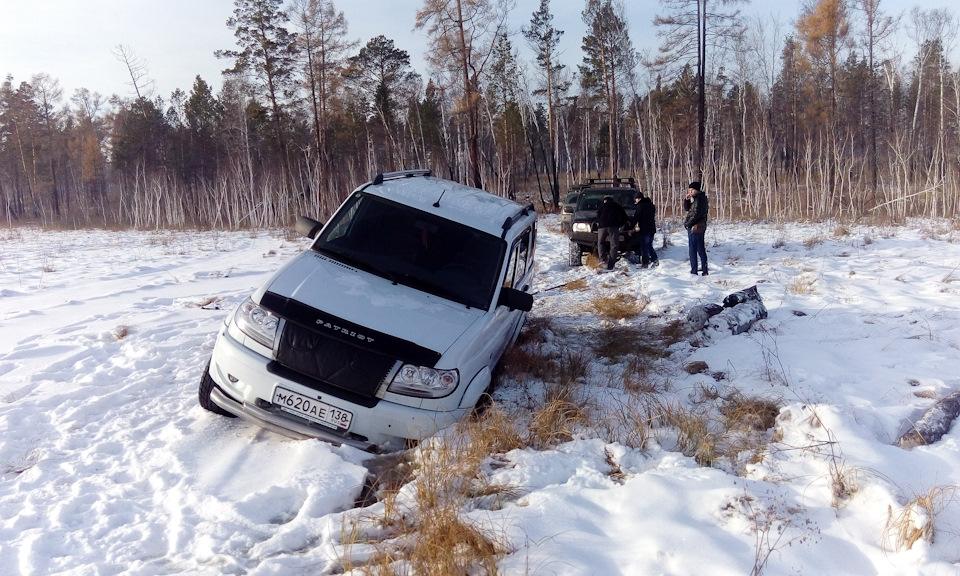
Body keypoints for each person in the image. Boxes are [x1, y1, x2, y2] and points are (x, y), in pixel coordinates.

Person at [683, 181, 709, 276]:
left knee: (693, 249)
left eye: (692, 190)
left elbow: (696, 214)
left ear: (697, 190)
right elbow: (688, 209)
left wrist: (688, 224)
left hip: (695, 227)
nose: (690, 192)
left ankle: (694, 271)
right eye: (689, 190)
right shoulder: (698, 199)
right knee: (700, 248)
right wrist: (687, 200)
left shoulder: (699, 200)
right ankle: (704, 269)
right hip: (698, 227)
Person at [596, 194, 628, 270]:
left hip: (602, 227)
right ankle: (611, 264)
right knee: (614, 245)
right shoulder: (617, 206)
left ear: (605, 200)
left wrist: (600, 224)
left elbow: (597, 216)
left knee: (600, 243)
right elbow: (625, 217)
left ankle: (602, 260)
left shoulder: (601, 206)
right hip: (613, 227)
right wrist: (619, 225)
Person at [630, 192, 659, 268]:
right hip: (652, 228)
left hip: (644, 228)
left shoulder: (640, 206)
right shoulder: (651, 205)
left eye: (636, 199)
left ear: (638, 199)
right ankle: (654, 259)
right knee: (649, 245)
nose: (635, 201)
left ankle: (645, 263)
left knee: (644, 246)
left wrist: (630, 227)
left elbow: (637, 217)